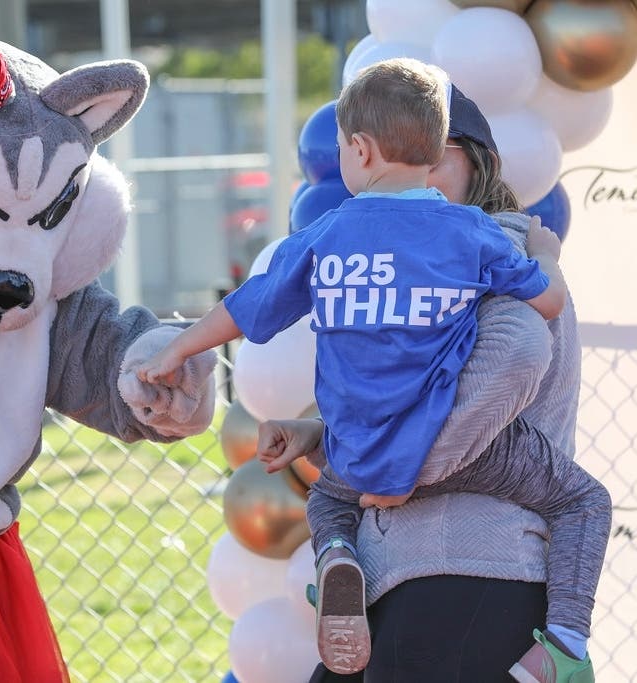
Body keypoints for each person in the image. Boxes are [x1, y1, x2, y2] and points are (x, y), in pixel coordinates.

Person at [132, 58, 610, 682]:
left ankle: (341, 556)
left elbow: (511, 359)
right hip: (402, 555)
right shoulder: (468, 245)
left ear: (481, 163)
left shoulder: (474, 244)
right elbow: (414, 382)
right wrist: (333, 440)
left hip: (464, 569)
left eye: (441, 154)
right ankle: (563, 648)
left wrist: (180, 349)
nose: (426, 172)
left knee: (341, 501)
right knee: (584, 501)